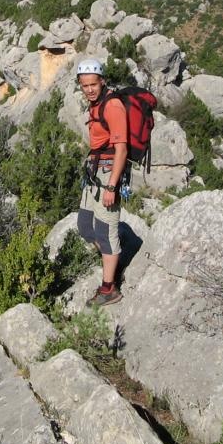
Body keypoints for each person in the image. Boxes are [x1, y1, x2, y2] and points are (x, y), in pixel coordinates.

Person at [75, 58, 128, 306]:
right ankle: (111, 254)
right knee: (85, 226)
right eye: (85, 85)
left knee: (106, 233)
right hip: (94, 173)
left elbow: (122, 150)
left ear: (102, 81)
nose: (89, 90)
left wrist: (112, 186)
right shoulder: (95, 105)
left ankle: (109, 289)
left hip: (108, 175)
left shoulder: (113, 106)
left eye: (93, 84)